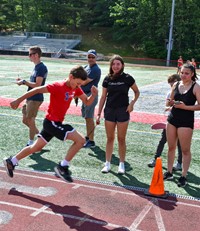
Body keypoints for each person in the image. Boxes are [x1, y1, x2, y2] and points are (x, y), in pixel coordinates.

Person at [3, 65, 98, 182]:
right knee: (81, 140)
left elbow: (87, 102)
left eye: (80, 85)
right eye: (77, 83)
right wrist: (18, 100)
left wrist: (93, 95)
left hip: (53, 123)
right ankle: (62, 166)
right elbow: (37, 90)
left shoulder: (76, 88)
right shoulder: (58, 86)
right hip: (51, 122)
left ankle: (11, 161)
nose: (78, 87)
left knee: (35, 147)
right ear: (71, 77)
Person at [96, 55, 140, 174]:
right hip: (109, 110)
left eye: (118, 64)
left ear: (122, 65)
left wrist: (131, 104)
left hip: (123, 111)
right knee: (110, 138)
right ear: (111, 66)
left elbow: (137, 92)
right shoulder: (107, 79)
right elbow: (103, 97)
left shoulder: (127, 78)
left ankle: (121, 164)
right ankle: (108, 164)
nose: (115, 66)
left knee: (121, 139)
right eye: (113, 64)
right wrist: (99, 113)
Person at [164, 63, 200, 187]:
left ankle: (183, 176)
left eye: (187, 73)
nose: (184, 75)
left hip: (186, 121)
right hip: (173, 119)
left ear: (192, 74)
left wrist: (185, 107)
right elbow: (170, 103)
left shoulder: (196, 87)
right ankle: (169, 172)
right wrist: (170, 103)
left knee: (185, 150)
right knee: (171, 147)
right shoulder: (175, 84)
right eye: (182, 73)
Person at [148, 74, 182, 170]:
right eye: (170, 84)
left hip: (181, 122)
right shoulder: (169, 93)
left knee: (180, 144)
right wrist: (169, 108)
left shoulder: (184, 92)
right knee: (163, 140)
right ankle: (155, 159)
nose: (172, 86)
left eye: (173, 84)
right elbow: (167, 105)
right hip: (171, 121)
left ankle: (179, 163)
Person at [16, 46, 48, 146]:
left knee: (30, 119)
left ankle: (31, 143)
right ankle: (41, 138)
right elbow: (33, 83)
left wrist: (24, 82)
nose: (29, 56)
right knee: (25, 120)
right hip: (31, 96)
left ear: (36, 55)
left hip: (36, 97)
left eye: (30, 54)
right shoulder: (37, 67)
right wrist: (23, 81)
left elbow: (38, 85)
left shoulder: (41, 67)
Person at [81, 49, 101, 148]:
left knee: (89, 118)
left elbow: (84, 82)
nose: (91, 59)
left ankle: (91, 141)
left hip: (91, 95)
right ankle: (88, 137)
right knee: (86, 117)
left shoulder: (95, 69)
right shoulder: (86, 67)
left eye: (93, 57)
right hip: (85, 95)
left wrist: (75, 82)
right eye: (89, 57)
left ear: (96, 58)